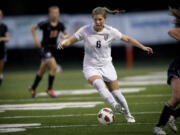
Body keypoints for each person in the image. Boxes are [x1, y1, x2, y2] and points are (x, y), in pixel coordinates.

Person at [57, 7, 153, 123]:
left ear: (105, 19)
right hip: (90, 66)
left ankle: (128, 115)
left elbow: (127, 39)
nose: (98, 22)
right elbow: (70, 40)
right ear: (92, 19)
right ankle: (115, 105)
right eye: (96, 19)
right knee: (98, 83)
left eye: (100, 20)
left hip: (107, 65)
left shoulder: (110, 31)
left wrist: (142, 47)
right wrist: (63, 43)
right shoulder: (85, 30)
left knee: (117, 94)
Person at [29, 6, 68, 98]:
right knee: (54, 67)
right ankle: (49, 89)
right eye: (53, 12)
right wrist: (36, 40)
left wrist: (64, 37)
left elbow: (66, 34)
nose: (55, 14)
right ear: (50, 14)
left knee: (42, 71)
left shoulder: (60, 24)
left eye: (56, 12)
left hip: (53, 49)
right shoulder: (45, 23)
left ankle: (33, 87)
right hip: (44, 49)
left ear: (58, 14)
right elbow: (33, 29)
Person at [153, 7, 180, 135]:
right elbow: (171, 32)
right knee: (177, 98)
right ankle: (159, 127)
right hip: (177, 68)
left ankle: (173, 116)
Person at [0, 9, 9, 85]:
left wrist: (1, 38)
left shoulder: (4, 27)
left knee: (0, 71)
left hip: (1, 51)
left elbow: (7, 39)